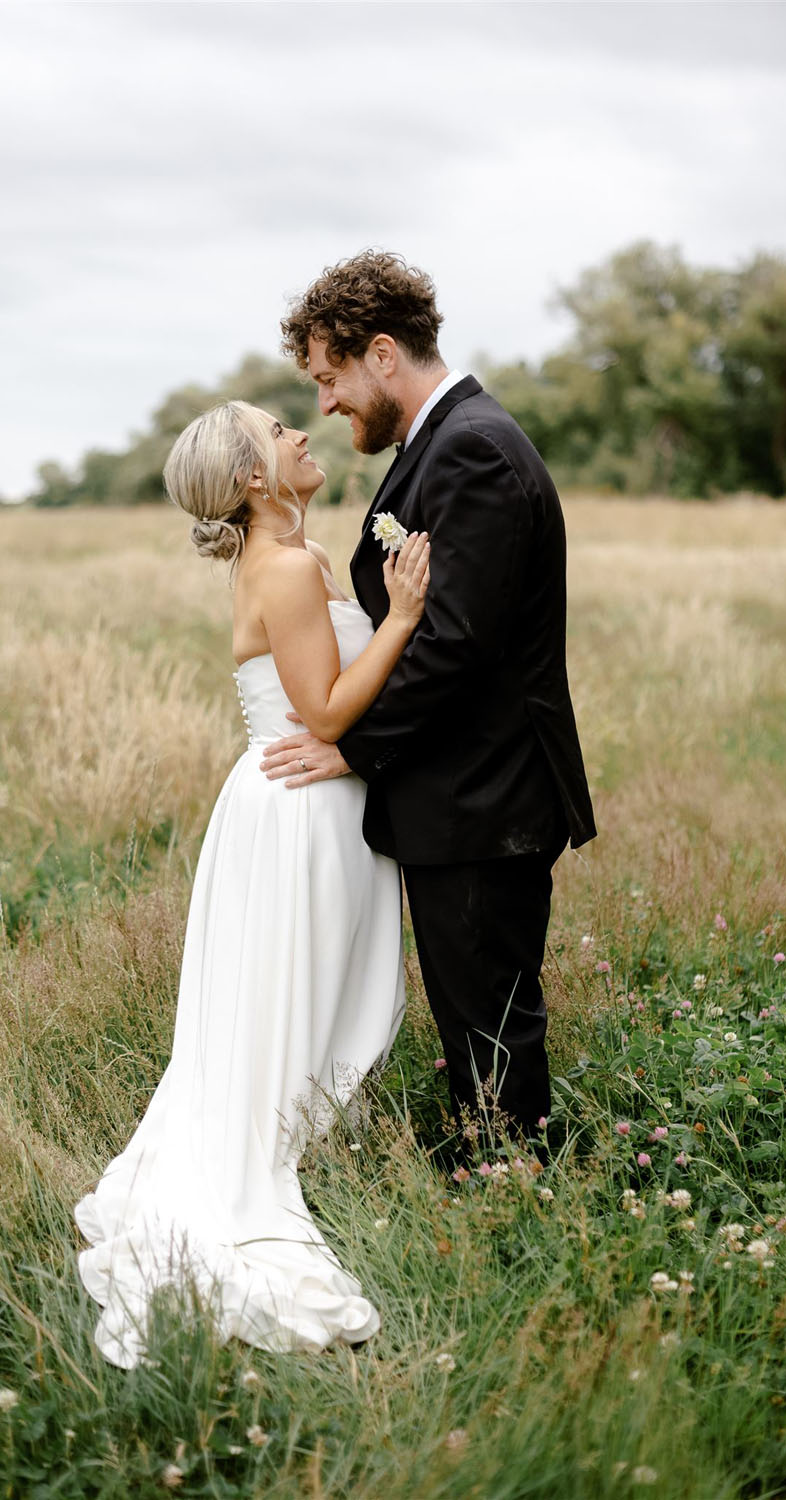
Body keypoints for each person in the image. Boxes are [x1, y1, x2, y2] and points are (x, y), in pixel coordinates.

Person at [74, 400, 430, 1368]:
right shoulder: (280, 567)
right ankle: (284, 1150)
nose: (303, 433)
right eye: (280, 429)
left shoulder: (288, 557)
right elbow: (322, 709)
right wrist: (401, 618)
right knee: (290, 992)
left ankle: (307, 1134)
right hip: (297, 811)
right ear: (250, 480)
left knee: (290, 993)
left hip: (297, 802)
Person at [262, 251, 596, 1150]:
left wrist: (354, 746)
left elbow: (456, 641)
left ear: (380, 353)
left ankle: (509, 1181)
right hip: (463, 788)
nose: (325, 405)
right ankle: (496, 1162)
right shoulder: (444, 444)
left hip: (485, 791)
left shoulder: (472, 448)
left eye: (331, 379)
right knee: (478, 1007)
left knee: (490, 1013)